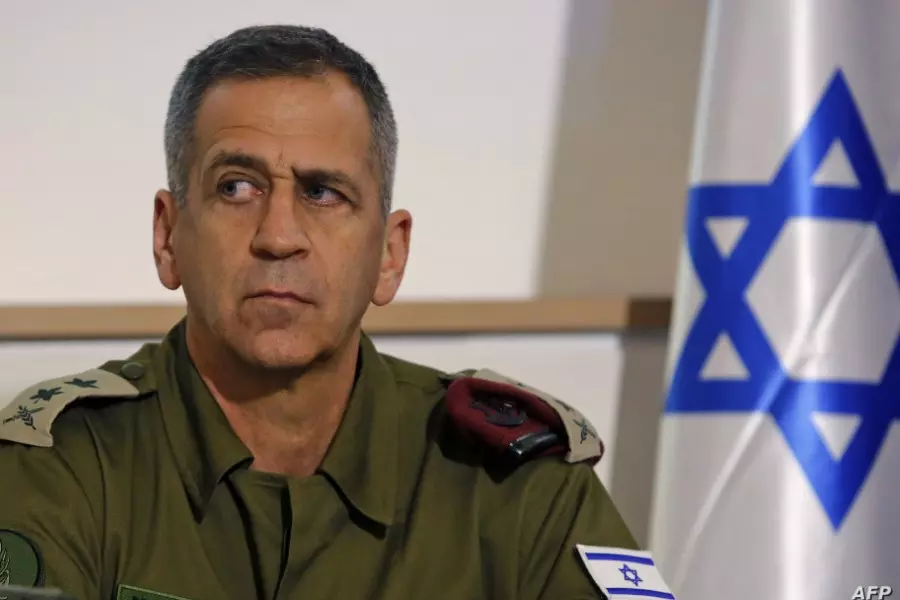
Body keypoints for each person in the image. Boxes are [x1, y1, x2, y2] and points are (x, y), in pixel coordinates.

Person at [0, 25, 658, 600]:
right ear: (168, 236)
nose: (278, 235)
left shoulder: (513, 485)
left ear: (390, 255)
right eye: (236, 187)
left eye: (323, 192)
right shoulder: (61, 467)